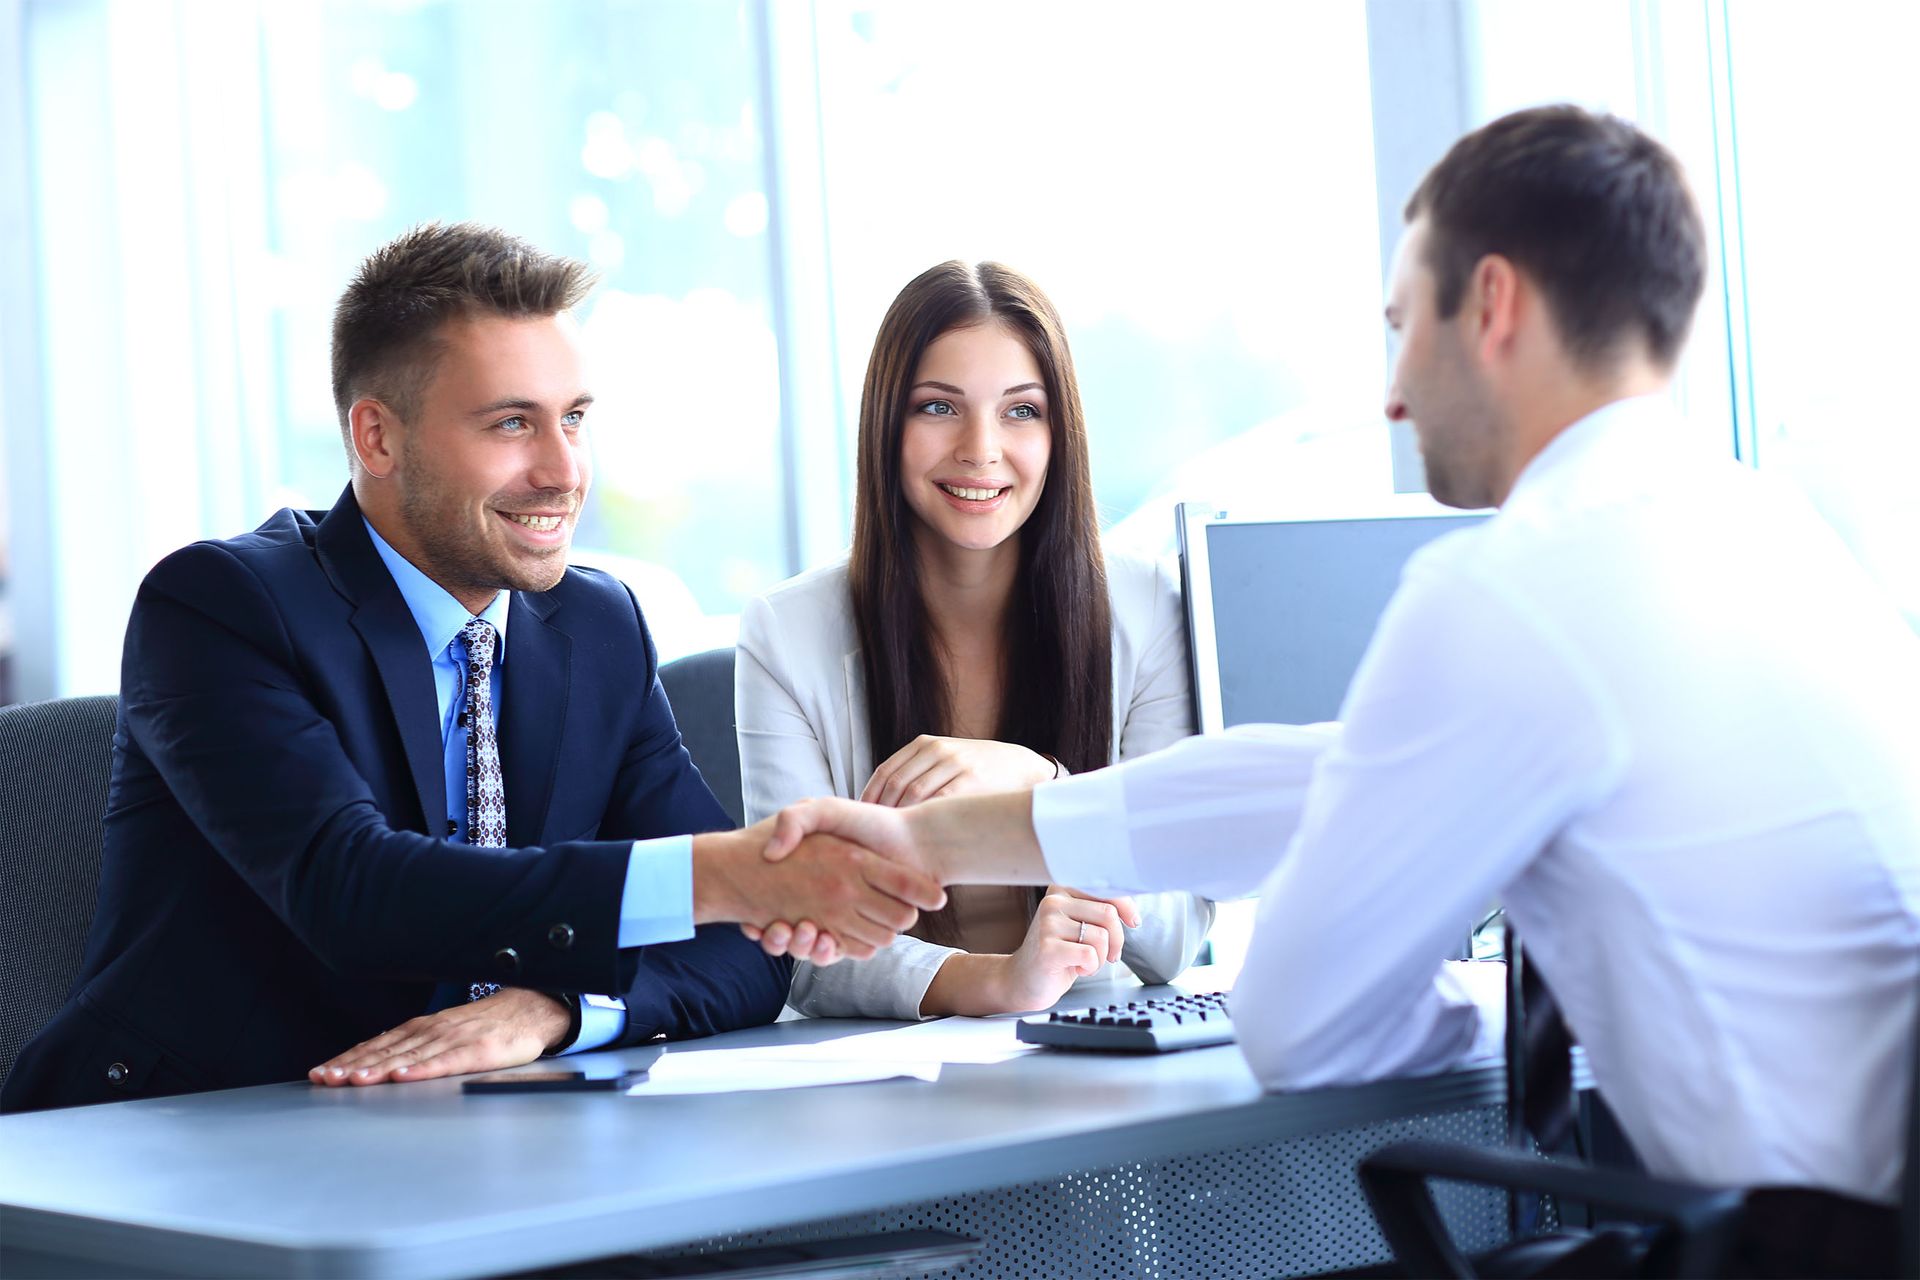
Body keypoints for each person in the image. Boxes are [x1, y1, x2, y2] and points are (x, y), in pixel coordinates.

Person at [754, 107, 1920, 1260]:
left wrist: (1501, 997)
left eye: (1403, 323)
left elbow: (1304, 1020)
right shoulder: (1766, 529)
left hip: (1799, 1244)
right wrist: (932, 842)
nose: (1394, 391)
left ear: (1495, 305)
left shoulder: (1509, 588)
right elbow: (1328, 773)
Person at [0, 223, 942, 1113]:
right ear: (378, 437)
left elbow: (743, 953)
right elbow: (354, 889)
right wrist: (717, 874)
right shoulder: (222, 606)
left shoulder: (596, 627)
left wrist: (556, 1011)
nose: (564, 469)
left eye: (574, 417)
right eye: (510, 425)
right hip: (197, 1139)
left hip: (490, 1134)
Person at [734, 261, 1212, 1019]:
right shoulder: (786, 632)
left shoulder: (1150, 607)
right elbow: (805, 947)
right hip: (888, 1079)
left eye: (1021, 412)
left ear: (1061, 434)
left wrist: (1042, 787)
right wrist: (999, 984)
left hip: (1103, 1059)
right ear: (888, 425)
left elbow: (1176, 932)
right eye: (938, 408)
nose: (981, 448)